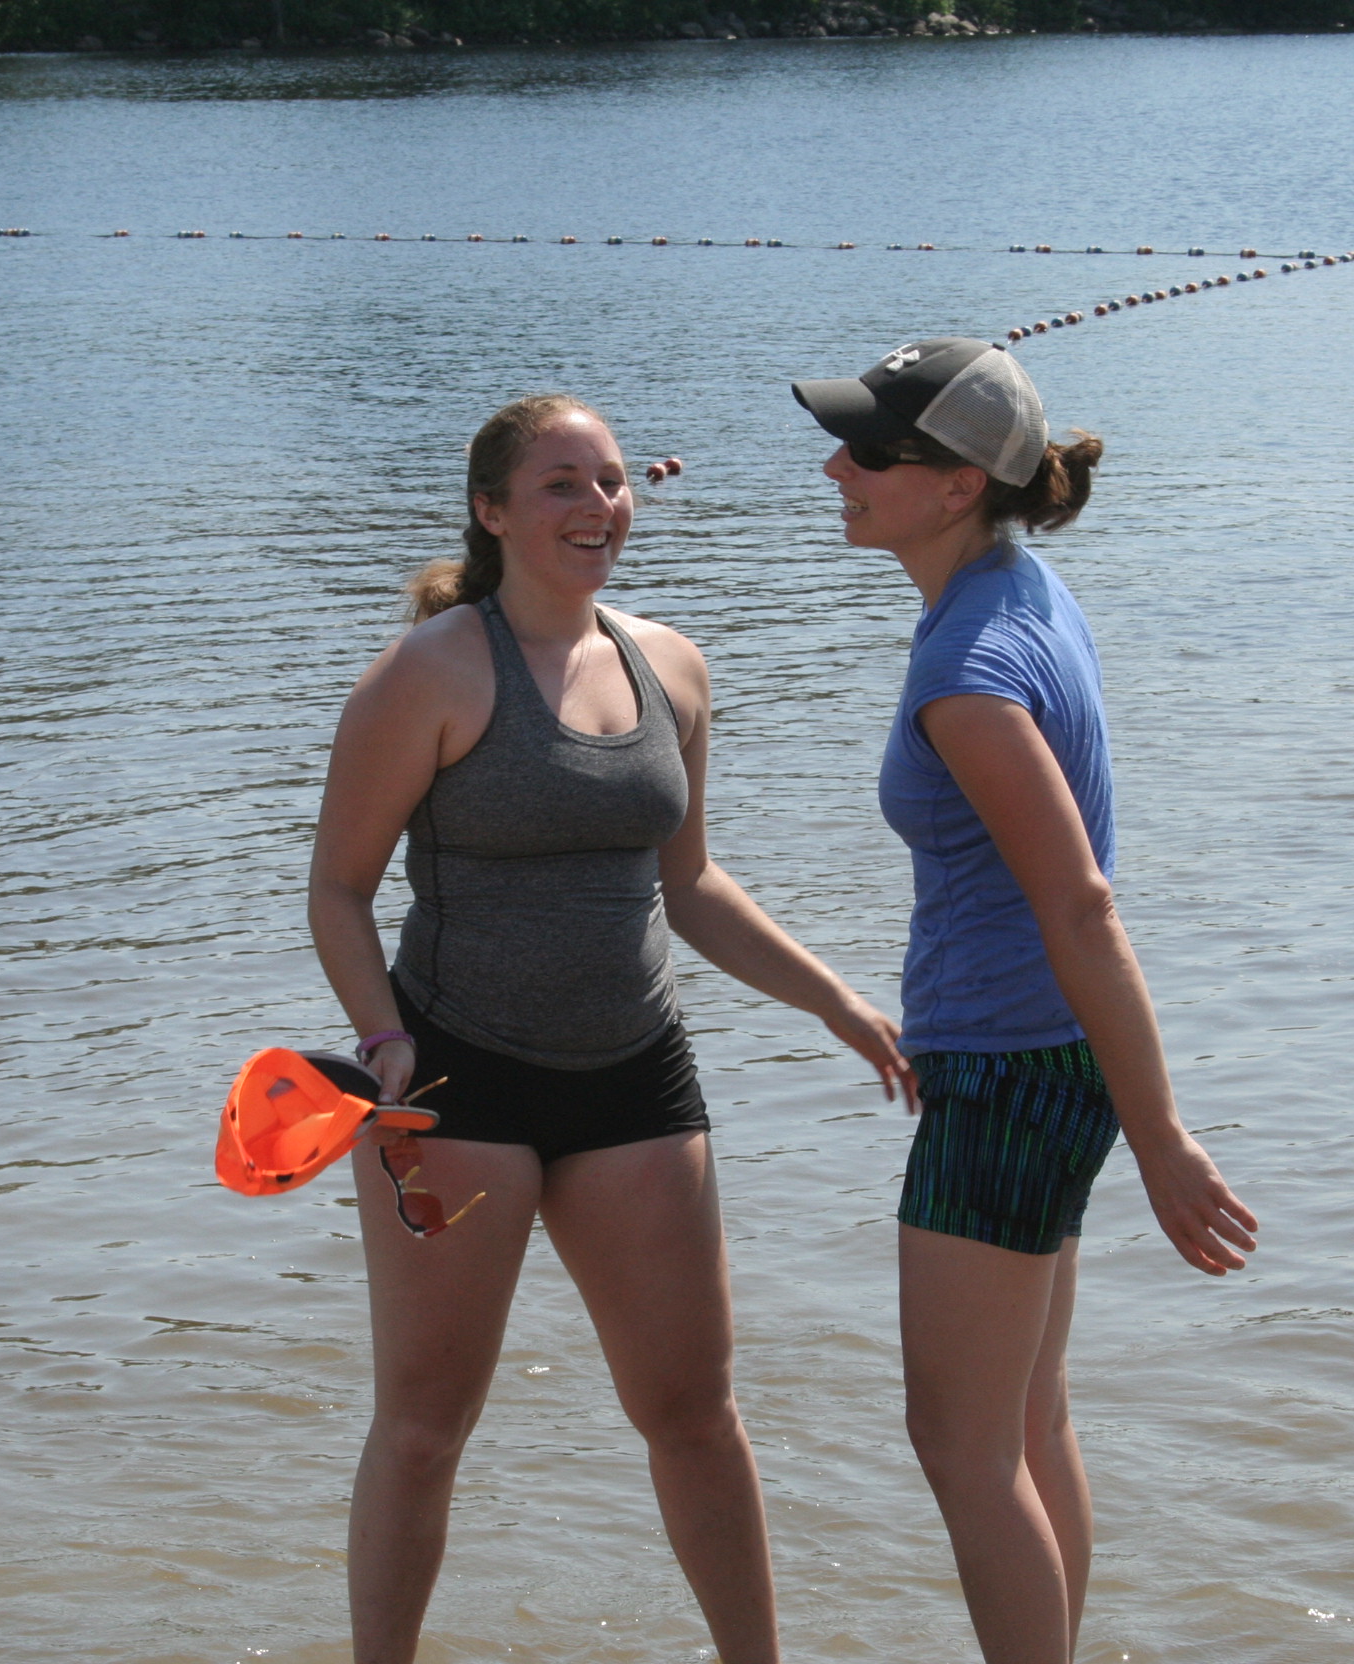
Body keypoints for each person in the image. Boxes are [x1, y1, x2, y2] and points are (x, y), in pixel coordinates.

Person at [307, 392, 913, 1664]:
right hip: (454, 1077)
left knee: (696, 1412)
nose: (600, 508)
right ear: (493, 512)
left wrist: (836, 998)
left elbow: (690, 885)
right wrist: (382, 1037)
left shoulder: (670, 663)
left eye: (615, 482)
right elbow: (340, 889)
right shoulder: (428, 673)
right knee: (424, 1424)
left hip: (637, 1077)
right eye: (564, 486)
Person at [789, 339, 1260, 1664]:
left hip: (1009, 1073)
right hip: (1042, 1062)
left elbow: (1082, 905)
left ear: (952, 488)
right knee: (1026, 1422)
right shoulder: (1017, 588)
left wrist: (1164, 1137)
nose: (836, 468)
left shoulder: (969, 675)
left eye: (869, 454)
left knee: (960, 1442)